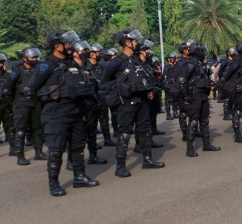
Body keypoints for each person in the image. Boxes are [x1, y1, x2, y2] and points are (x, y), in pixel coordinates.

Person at [24, 30, 99, 196]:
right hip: (55, 114)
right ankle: (54, 183)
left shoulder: (72, 64)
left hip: (76, 112)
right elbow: (30, 89)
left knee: (78, 146)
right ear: (58, 47)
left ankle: (80, 177)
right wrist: (46, 105)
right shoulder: (47, 65)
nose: (71, 46)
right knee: (56, 150)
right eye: (68, 44)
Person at [101, 29, 165, 178]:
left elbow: (150, 79)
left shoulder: (138, 62)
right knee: (124, 134)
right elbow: (104, 84)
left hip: (142, 102)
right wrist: (123, 89)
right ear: (127, 43)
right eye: (135, 41)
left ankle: (147, 159)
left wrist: (151, 91)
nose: (137, 43)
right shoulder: (116, 62)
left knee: (145, 131)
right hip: (126, 103)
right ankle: (120, 166)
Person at [178, 41, 220, 157]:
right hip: (194, 96)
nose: (204, 53)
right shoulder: (191, 63)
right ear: (197, 52)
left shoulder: (200, 64)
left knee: (205, 121)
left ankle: (206, 144)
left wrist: (211, 84)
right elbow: (182, 80)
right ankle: (190, 148)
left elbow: (204, 79)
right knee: (193, 121)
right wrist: (185, 96)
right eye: (202, 50)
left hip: (203, 96)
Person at [7, 47, 47, 165]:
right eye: (33, 57)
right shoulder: (17, 72)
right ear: (24, 58)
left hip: (35, 103)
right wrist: (11, 105)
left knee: (37, 129)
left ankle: (39, 153)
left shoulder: (38, 70)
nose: (36, 59)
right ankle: (20, 155)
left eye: (37, 57)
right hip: (21, 104)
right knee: (20, 131)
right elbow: (7, 89)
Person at [72, 41, 107, 166]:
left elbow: (96, 83)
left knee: (91, 131)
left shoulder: (89, 66)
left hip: (90, 103)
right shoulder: (69, 67)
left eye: (86, 50)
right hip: (76, 105)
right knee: (75, 134)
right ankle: (72, 161)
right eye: (82, 51)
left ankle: (93, 156)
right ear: (74, 53)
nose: (84, 53)